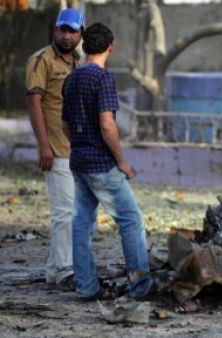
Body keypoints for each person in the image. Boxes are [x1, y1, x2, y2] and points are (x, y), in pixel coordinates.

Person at [61, 22, 152, 300]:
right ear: (110, 46)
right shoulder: (103, 79)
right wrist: (122, 161)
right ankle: (140, 287)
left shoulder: (72, 78)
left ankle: (86, 287)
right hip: (102, 164)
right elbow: (107, 125)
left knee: (81, 222)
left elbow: (64, 123)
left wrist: (79, 145)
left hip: (79, 162)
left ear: (84, 45)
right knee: (131, 220)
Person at [25, 8, 84, 290]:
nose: (67, 35)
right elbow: (34, 102)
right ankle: (64, 270)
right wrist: (43, 145)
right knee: (65, 212)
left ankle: (52, 270)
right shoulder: (41, 59)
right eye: (63, 29)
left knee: (73, 210)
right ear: (55, 30)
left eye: (72, 30)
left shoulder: (79, 62)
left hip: (76, 149)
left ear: (80, 33)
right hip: (56, 148)